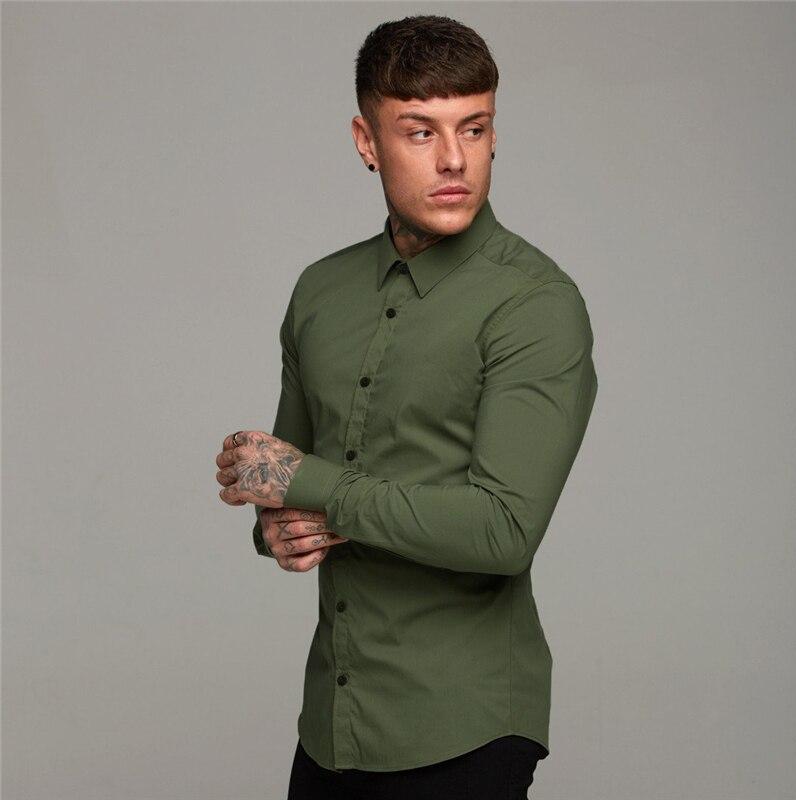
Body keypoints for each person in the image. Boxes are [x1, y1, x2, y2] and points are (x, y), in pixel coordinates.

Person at [215, 14, 599, 800]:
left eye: (474, 128)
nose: (454, 158)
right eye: (421, 132)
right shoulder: (321, 292)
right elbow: (287, 480)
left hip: (465, 728)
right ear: (367, 141)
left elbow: (503, 530)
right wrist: (275, 529)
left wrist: (313, 487)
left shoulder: (535, 305)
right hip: (333, 727)